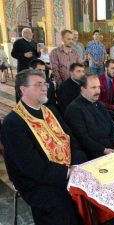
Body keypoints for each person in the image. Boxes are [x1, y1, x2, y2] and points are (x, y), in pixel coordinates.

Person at [1, 69, 87, 225]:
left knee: (92, 190)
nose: (44, 88)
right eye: (38, 84)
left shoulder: (50, 111)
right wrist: (67, 173)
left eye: (45, 84)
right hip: (35, 180)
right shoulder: (13, 123)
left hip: (65, 169)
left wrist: (77, 164)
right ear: (23, 89)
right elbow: (30, 166)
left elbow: (70, 139)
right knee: (62, 207)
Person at [64, 74, 114, 159]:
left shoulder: (100, 104)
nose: (98, 91)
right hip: (93, 154)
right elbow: (82, 138)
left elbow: (113, 127)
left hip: (111, 148)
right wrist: (104, 150)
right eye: (93, 88)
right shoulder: (74, 109)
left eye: (98, 87)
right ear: (83, 89)